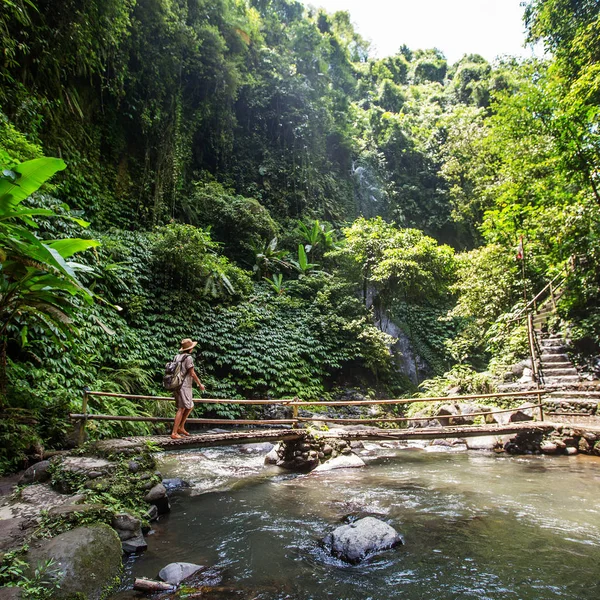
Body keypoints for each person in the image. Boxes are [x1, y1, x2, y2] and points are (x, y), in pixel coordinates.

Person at [171, 338, 205, 439]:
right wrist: (200, 384)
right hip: (184, 385)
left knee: (190, 406)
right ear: (190, 349)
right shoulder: (188, 358)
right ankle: (174, 432)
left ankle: (181, 427)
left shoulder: (177, 356)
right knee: (181, 408)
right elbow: (192, 373)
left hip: (176, 384)